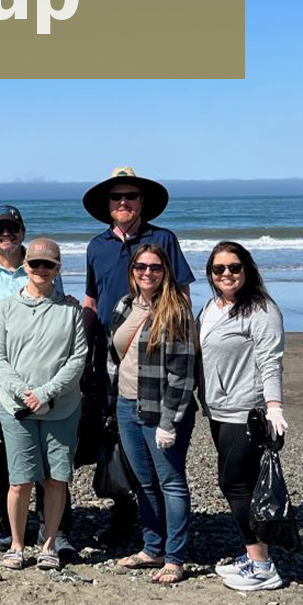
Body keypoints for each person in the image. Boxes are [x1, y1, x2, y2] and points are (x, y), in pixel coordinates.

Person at [82, 166, 194, 545]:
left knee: (163, 460)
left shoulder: (162, 240)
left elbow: (182, 297)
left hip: (158, 361)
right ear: (108, 205)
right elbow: (91, 300)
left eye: (130, 196)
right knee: (116, 440)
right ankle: (126, 517)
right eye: (117, 198)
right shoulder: (96, 245)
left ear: (142, 202)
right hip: (110, 360)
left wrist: (182, 343)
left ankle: (167, 540)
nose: (124, 202)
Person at [0, 204, 71, 554]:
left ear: (22, 231)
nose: (6, 235)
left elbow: (61, 319)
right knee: (8, 456)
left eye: (12, 229)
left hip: (43, 378)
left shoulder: (40, 267)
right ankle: (10, 529)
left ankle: (56, 532)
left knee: (53, 457)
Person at [0, 238, 87, 571]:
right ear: (25, 267)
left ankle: (49, 543)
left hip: (62, 407)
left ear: (58, 268)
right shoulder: (5, 308)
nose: (41, 270)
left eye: (49, 265)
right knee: (20, 480)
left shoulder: (71, 310)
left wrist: (45, 392)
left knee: (57, 479)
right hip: (16, 407)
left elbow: (78, 359)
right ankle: (17, 544)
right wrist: (23, 392)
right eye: (35, 264)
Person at [198, 241, 287, 592]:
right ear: (211, 274)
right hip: (218, 409)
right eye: (219, 269)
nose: (226, 274)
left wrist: (275, 406)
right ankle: (254, 557)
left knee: (234, 484)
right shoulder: (212, 307)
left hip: (246, 412)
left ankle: (262, 564)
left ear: (246, 269)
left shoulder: (261, 310)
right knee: (242, 484)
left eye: (234, 267)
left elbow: (270, 361)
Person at [109, 243, 198, 585]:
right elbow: (114, 354)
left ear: (166, 272)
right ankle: (152, 548)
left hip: (161, 411)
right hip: (126, 405)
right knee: (143, 483)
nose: (148, 273)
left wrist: (168, 422)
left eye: (156, 268)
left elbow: (182, 374)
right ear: (132, 270)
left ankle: (174, 558)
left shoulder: (175, 310)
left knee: (171, 482)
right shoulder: (123, 305)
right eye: (141, 267)